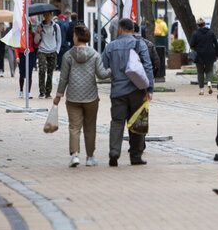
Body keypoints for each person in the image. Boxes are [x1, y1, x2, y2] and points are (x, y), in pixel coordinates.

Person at [54, 25, 111, 167]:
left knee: (74, 127)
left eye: (74, 35)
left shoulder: (68, 56)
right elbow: (102, 75)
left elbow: (64, 78)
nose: (73, 37)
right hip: (91, 96)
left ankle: (75, 155)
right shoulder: (95, 55)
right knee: (90, 127)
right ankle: (90, 157)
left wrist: (58, 95)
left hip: (73, 97)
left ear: (77, 37)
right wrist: (111, 70)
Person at [102, 18, 154, 166]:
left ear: (120, 29)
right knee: (137, 122)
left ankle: (114, 152)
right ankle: (136, 155)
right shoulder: (140, 44)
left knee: (117, 122)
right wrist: (149, 89)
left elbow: (103, 68)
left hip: (118, 91)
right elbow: (148, 67)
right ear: (133, 29)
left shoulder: (111, 46)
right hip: (137, 90)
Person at [36, 11, 62, 99]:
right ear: (43, 15)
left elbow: (59, 39)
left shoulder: (56, 26)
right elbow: (36, 41)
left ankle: (48, 92)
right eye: (45, 15)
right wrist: (38, 32)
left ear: (51, 15)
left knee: (50, 72)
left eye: (49, 14)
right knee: (42, 70)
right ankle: (41, 91)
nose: (47, 16)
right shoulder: (39, 26)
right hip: (42, 50)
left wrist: (57, 51)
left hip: (52, 51)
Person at [190, 17, 218, 95]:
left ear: (197, 25)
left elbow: (191, 45)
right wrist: (217, 54)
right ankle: (209, 82)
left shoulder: (195, 33)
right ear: (205, 24)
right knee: (209, 70)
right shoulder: (211, 32)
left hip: (199, 55)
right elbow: (216, 44)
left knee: (200, 72)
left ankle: (201, 89)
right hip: (210, 54)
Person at [15, 22, 37, 99]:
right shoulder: (19, 33)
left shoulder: (32, 33)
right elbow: (16, 46)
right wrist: (17, 56)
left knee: (29, 73)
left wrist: (38, 36)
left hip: (30, 53)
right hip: (22, 54)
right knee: (22, 73)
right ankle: (21, 91)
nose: (27, 25)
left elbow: (36, 44)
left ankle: (28, 92)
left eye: (28, 24)